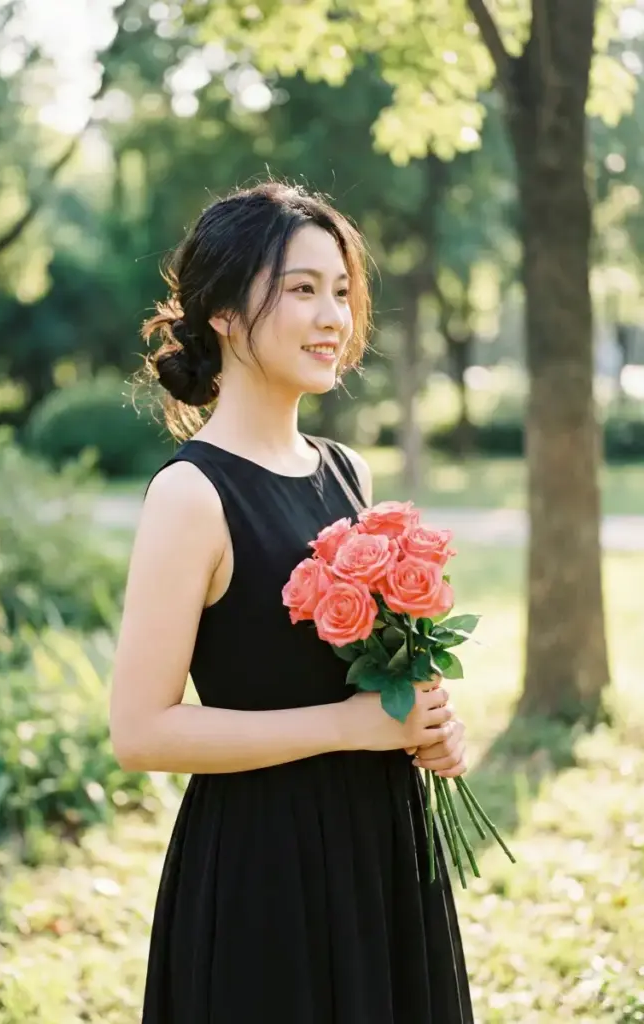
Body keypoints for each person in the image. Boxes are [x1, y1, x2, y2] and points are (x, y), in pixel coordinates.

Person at [109, 180, 473, 1023]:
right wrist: (347, 728)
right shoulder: (192, 495)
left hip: (381, 845)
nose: (333, 318)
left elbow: (365, 677)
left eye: (341, 291)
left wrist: (422, 721)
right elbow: (141, 730)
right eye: (301, 289)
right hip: (264, 869)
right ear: (225, 314)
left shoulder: (347, 472)